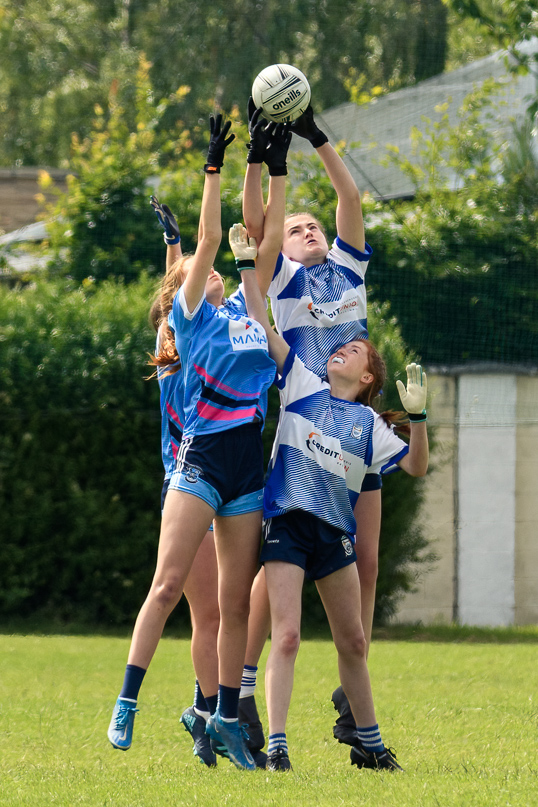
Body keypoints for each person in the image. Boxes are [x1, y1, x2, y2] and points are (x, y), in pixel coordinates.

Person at [107, 113, 276, 772]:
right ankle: (128, 700)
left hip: (246, 466)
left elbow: (249, 245)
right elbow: (206, 242)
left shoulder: (243, 313)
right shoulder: (187, 321)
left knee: (233, 606)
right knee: (169, 585)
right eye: (184, 275)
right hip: (200, 460)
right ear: (177, 298)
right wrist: (214, 167)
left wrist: (261, 161)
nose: (195, 273)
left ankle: (222, 715)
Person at [229, 221, 429, 772]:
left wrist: (419, 418)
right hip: (288, 524)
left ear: (368, 376)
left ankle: (369, 741)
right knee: (287, 636)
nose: (343, 348)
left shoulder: (367, 422)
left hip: (333, 534)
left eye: (355, 349)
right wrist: (248, 266)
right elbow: (259, 320)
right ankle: (275, 744)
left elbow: (416, 464)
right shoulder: (301, 380)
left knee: (355, 643)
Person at [242, 102, 388, 746]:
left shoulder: (349, 269)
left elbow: (349, 194)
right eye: (294, 225)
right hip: (307, 439)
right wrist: (262, 159)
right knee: (280, 568)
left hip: (355, 431)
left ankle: (352, 698)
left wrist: (315, 136)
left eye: (310, 224)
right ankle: (243, 686)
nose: (305, 229)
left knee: (369, 560)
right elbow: (254, 224)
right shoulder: (280, 281)